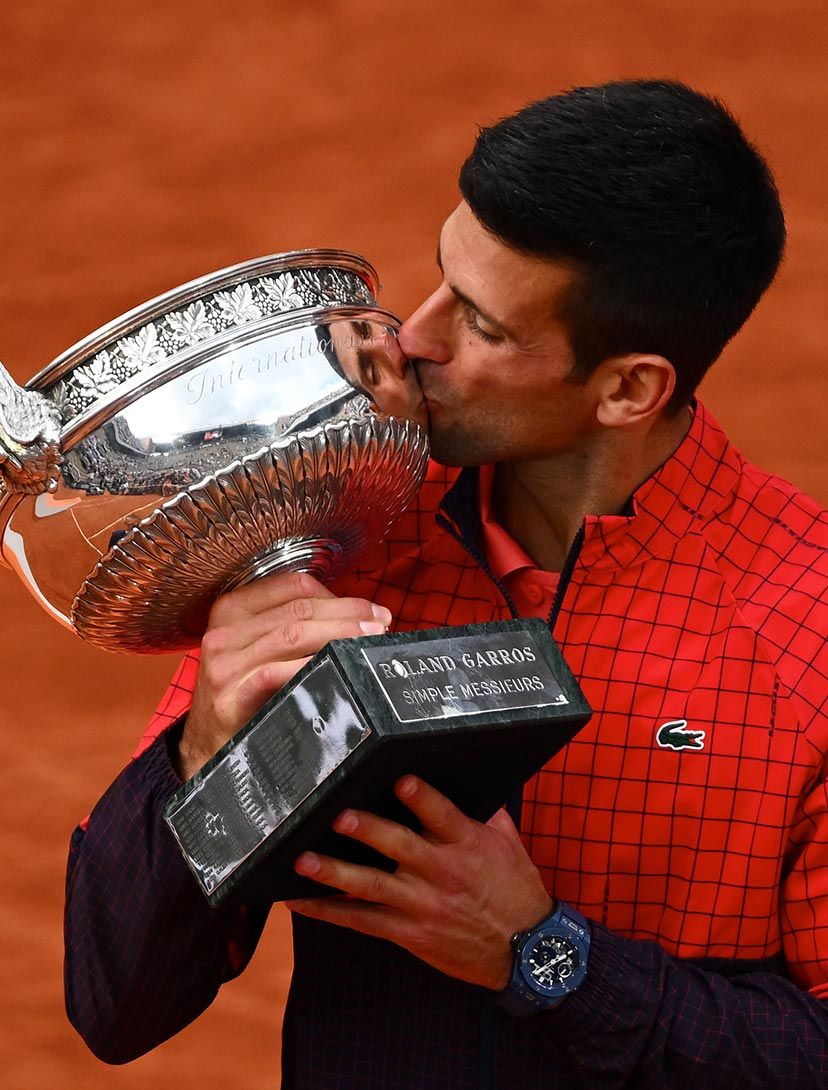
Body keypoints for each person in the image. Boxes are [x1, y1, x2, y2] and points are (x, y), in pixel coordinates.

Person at [64, 79, 828, 1088]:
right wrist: (206, 755)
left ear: (629, 387)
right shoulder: (345, 531)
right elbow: (118, 1003)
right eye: (439, 277)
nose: (413, 337)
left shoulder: (806, 636)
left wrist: (546, 956)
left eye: (480, 323)